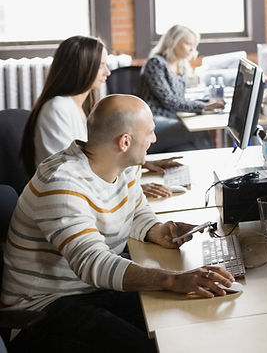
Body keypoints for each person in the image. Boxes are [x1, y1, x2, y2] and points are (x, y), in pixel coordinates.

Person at [1, 95, 237, 353]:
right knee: (151, 345)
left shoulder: (123, 165)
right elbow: (93, 263)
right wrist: (174, 280)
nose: (154, 140)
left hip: (90, 290)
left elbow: (135, 208)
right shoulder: (62, 184)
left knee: (183, 322)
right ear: (125, 142)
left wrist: (156, 230)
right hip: (42, 309)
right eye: (150, 133)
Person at [20, 35, 177, 198]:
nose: (107, 72)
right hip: (67, 197)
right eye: (101, 65)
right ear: (82, 67)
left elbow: (99, 155)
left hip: (84, 192)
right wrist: (126, 189)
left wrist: (143, 163)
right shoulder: (57, 108)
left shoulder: (82, 105)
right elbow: (69, 170)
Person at [139, 24, 223, 152]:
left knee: (188, 148)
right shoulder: (156, 63)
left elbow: (179, 98)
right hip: (152, 122)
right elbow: (169, 100)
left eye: (194, 45)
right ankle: (216, 167)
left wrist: (206, 102)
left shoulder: (181, 66)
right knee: (197, 132)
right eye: (188, 44)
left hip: (170, 119)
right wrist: (204, 106)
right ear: (172, 42)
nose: (192, 50)